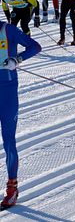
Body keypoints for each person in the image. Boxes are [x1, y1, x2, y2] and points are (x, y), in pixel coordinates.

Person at [0, 20, 42, 210]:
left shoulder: (7, 30)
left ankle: (12, 188)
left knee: (8, 140)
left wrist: (17, 60)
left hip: (7, 92)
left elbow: (35, 47)